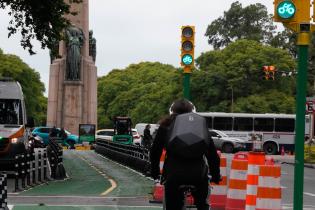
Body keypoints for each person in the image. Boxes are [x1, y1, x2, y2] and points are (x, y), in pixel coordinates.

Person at [150, 99, 221, 210]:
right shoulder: (200, 127)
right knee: (203, 204)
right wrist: (216, 175)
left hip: (173, 174)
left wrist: (154, 172)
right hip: (198, 175)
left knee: (172, 205)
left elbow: (155, 151)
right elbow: (212, 154)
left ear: (171, 111)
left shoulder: (165, 126)